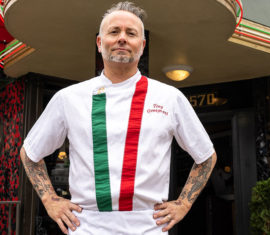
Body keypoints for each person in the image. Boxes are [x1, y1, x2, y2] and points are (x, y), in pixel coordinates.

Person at [20, 1, 217, 234]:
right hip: (86, 225)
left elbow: (206, 156)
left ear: (142, 46)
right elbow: (30, 153)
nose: (122, 38)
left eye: (131, 33)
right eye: (114, 32)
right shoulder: (69, 98)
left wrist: (184, 204)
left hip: (148, 226)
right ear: (99, 42)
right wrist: (50, 200)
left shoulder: (169, 98)